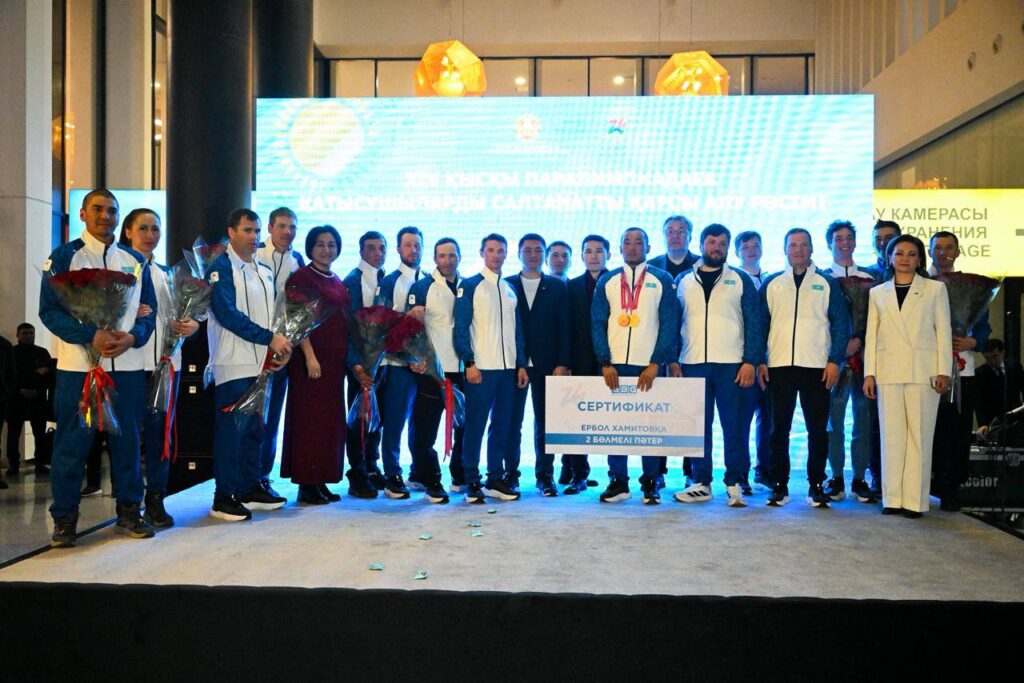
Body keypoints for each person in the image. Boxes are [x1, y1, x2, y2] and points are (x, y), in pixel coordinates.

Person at [39, 189, 157, 546]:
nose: (105, 216)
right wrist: (90, 335)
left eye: (112, 211)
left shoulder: (134, 260)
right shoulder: (64, 256)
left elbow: (148, 313)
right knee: (71, 444)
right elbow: (49, 311)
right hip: (78, 368)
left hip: (127, 367)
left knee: (128, 443)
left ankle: (129, 511)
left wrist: (132, 338)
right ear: (82, 213)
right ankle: (64, 519)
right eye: (98, 209)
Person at [205, 208, 293, 521]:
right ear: (231, 232)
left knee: (255, 428)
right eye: (247, 230)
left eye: (256, 231)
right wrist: (269, 338)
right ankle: (223, 497)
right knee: (232, 431)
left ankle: (249, 486)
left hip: (262, 364)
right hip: (233, 363)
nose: (254, 237)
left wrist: (280, 347)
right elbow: (227, 314)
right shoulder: (220, 267)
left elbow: (271, 316)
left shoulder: (263, 270)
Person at [118, 208, 201, 528]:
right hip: (128, 365)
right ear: (128, 231)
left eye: (155, 229)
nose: (150, 235)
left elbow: (187, 315)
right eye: (143, 228)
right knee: (128, 439)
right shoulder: (118, 270)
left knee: (160, 437)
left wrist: (192, 324)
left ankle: (156, 499)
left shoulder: (169, 275)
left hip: (166, 367)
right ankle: (127, 505)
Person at [671, 224, 763, 507]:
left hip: (731, 365)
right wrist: (673, 359)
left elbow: (755, 323)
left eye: (722, 243)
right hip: (692, 363)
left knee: (734, 426)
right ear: (701, 245)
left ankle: (735, 482)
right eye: (712, 242)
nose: (717, 247)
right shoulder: (684, 280)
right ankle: (701, 482)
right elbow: (673, 323)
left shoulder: (741, 279)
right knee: (698, 426)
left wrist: (750, 361)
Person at [759, 228, 850, 508]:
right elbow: (760, 325)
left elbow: (841, 324)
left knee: (818, 431)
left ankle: (815, 485)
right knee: (778, 430)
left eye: (803, 245)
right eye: (793, 245)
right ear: (785, 250)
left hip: (817, 368)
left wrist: (834, 361)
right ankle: (779, 485)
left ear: (811, 249)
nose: (798, 250)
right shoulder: (772, 283)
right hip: (779, 367)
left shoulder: (826, 283)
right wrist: (760, 360)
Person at [864, 234, 951, 517]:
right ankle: (892, 499)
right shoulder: (878, 293)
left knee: (919, 437)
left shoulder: (935, 289)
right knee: (891, 437)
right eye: (899, 253)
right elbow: (872, 336)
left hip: (922, 371)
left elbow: (944, 332)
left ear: (919, 259)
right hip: (888, 370)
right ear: (889, 258)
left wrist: (943, 370)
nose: (905, 259)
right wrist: (869, 373)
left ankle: (915, 501)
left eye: (911, 254)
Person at [592, 227, 679, 504]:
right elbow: (597, 322)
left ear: (648, 247)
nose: (632, 247)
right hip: (615, 366)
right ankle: (618, 481)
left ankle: (651, 481)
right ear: (619, 249)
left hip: (648, 366)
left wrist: (656, 362)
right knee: (616, 425)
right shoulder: (607, 280)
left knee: (649, 426)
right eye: (627, 242)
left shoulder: (662, 279)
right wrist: (605, 361)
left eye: (638, 242)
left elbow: (669, 323)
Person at [280, 225, 355, 505]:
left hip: (334, 364)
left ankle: (320, 478)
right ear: (310, 247)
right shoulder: (302, 277)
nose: (326, 250)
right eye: (320, 244)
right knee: (309, 421)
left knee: (328, 422)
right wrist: (310, 356)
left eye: (332, 244)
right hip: (310, 362)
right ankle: (306, 483)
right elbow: (297, 321)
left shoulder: (336, 279)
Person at [453, 233, 529, 504]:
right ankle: (471, 480)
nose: (496, 255)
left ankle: (495, 479)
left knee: (502, 425)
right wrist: (469, 362)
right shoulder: (470, 285)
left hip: (508, 371)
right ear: (482, 253)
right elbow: (461, 327)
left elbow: (517, 331)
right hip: (481, 369)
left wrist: (521, 365)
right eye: (491, 250)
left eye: (500, 251)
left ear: (506, 254)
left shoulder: (509, 289)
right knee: (475, 425)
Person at [928, 230, 990, 510]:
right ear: (930, 252)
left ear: (958, 251)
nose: (943, 252)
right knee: (932, 431)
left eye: (949, 247)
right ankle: (929, 484)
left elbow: (984, 328)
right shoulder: (922, 283)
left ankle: (952, 487)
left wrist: (973, 341)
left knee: (958, 432)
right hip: (930, 370)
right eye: (938, 247)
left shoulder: (971, 286)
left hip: (963, 372)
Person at [505, 233, 570, 497]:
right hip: (514, 363)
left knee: (546, 422)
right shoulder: (506, 284)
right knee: (512, 422)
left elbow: (565, 327)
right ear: (519, 254)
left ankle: (545, 475)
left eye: (538, 250)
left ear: (544, 254)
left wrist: (563, 362)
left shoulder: (557, 286)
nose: (533, 255)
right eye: (528, 250)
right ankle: (510, 474)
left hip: (548, 364)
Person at [407, 237, 467, 503]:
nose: (448, 260)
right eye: (442, 256)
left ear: (459, 257)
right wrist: (415, 358)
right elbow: (409, 330)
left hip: (463, 369)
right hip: (431, 371)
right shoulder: (421, 287)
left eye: (452, 255)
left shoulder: (469, 286)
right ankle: (430, 480)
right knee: (425, 429)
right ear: (434, 259)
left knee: (463, 426)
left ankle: (460, 475)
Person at [823, 220, 878, 503]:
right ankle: (835, 477)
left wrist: (859, 341)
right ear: (829, 243)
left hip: (864, 360)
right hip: (833, 360)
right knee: (833, 421)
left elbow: (878, 320)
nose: (845, 243)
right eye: (838, 238)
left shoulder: (871, 278)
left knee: (863, 419)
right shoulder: (821, 278)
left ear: (856, 242)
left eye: (849, 238)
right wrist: (839, 347)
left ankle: (859, 478)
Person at [255, 207, 305, 500]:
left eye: (292, 227)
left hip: (283, 350)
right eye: (282, 226)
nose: (288, 232)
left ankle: (262, 476)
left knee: (272, 417)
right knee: (251, 417)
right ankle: (245, 476)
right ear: (270, 228)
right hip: (254, 346)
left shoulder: (297, 261)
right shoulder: (255, 256)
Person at [377, 226, 428, 499]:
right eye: (408, 245)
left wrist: (425, 359)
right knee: (395, 421)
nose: (413, 250)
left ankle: (418, 472)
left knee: (421, 421)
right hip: (398, 364)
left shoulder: (430, 280)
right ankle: (392, 476)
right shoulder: (390, 282)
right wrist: (408, 357)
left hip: (426, 365)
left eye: (417, 245)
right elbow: (380, 325)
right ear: (398, 248)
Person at [561, 234, 610, 494]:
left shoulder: (618, 282)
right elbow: (566, 326)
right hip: (580, 360)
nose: (593, 256)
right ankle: (579, 474)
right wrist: (566, 362)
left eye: (599, 251)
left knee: (615, 416)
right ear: (581, 256)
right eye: (588, 251)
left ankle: (617, 476)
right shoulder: (571, 286)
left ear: (607, 255)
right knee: (577, 418)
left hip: (612, 360)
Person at [342, 231, 387, 498]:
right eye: (371, 248)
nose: (378, 253)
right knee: (357, 419)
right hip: (359, 365)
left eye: (382, 248)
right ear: (361, 251)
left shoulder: (385, 278)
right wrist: (356, 365)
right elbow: (347, 328)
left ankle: (371, 466)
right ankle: (357, 473)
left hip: (381, 363)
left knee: (376, 418)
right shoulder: (352, 281)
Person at [734, 230, 770, 490]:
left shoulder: (774, 280)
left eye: (755, 245)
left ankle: (764, 469)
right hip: (743, 361)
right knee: (741, 421)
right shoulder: (733, 280)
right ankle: (740, 473)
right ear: (737, 252)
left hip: (772, 360)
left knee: (768, 418)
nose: (751, 250)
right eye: (745, 246)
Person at [6, 324, 52, 480]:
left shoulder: (42, 352)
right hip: (15, 399)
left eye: (32, 333)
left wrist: (37, 390)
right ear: (18, 335)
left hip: (37, 399)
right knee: (13, 434)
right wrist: (19, 389)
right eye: (25, 333)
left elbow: (49, 376)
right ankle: (13, 464)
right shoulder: (11, 352)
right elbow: (8, 375)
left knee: (39, 433)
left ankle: (40, 463)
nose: (29, 336)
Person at [975, 339, 1024, 432]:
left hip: (1015, 416)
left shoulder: (1015, 367)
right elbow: (978, 403)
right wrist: (983, 424)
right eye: (987, 358)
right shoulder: (979, 374)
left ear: (1002, 353)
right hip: (993, 420)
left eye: (995, 356)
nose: (992, 361)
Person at [648, 215, 700, 280]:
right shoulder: (650, 266)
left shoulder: (702, 264)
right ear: (664, 236)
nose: (675, 236)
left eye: (681, 232)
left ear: (690, 238)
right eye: (670, 231)